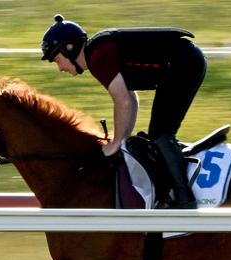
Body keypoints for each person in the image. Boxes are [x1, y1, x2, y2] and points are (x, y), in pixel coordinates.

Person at [41, 14, 207, 209]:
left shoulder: (98, 57)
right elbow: (130, 99)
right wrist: (124, 139)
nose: (59, 68)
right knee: (157, 134)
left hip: (184, 64)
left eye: (56, 59)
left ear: (69, 48)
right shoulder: (98, 54)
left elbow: (123, 103)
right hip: (184, 62)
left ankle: (185, 200)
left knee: (161, 135)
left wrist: (116, 142)